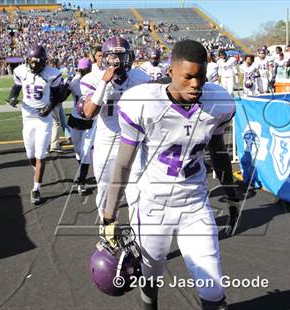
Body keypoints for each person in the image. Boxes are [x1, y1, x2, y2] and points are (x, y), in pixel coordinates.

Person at [101, 39, 240, 310]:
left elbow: (219, 152)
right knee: (150, 281)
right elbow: (123, 165)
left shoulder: (217, 102)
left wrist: (231, 195)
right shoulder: (144, 103)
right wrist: (109, 216)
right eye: (188, 77)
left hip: (195, 207)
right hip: (152, 208)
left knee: (212, 289)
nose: (196, 84)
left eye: (201, 76)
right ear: (172, 72)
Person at [80, 36, 150, 219]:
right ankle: (107, 229)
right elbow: (89, 112)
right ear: (104, 58)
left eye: (122, 56)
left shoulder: (141, 78)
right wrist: (104, 83)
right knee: (104, 189)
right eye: (113, 56)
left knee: (136, 189)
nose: (117, 61)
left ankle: (138, 233)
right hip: (106, 142)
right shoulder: (93, 79)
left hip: (134, 141)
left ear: (130, 57)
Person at [6, 45, 62, 204]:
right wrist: (12, 98)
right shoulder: (21, 71)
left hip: (43, 120)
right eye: (31, 62)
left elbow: (58, 96)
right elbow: (16, 88)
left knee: (40, 155)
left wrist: (49, 107)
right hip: (27, 118)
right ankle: (37, 168)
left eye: (37, 63)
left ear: (44, 62)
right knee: (30, 155)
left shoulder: (52, 74)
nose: (34, 66)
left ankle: (36, 188)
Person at [63, 57, 95, 195]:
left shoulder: (95, 79)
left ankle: (81, 181)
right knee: (78, 150)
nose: (84, 72)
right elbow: (62, 97)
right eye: (81, 70)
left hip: (91, 120)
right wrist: (65, 85)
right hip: (76, 119)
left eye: (86, 70)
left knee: (87, 151)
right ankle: (82, 169)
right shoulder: (74, 81)